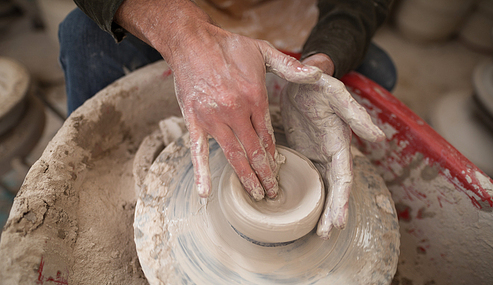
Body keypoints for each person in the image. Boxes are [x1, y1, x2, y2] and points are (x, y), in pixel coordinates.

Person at [59, 0, 395, 239]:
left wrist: (319, 64)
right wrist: (183, 36)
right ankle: (104, 200)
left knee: (376, 71)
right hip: (180, 10)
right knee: (83, 35)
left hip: (291, 18)